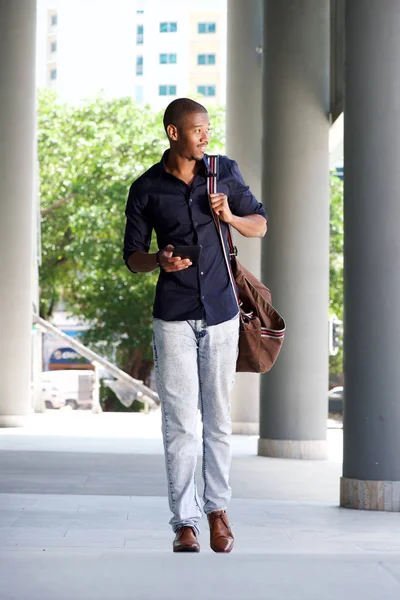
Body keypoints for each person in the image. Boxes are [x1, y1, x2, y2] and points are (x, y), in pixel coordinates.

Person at [123, 98, 267, 553]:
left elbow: (259, 225)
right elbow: (132, 257)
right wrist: (159, 260)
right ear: (173, 133)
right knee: (181, 424)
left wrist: (229, 217)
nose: (205, 135)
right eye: (197, 129)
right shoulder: (146, 188)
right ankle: (185, 523)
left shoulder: (224, 171)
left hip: (222, 311)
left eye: (207, 128)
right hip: (173, 316)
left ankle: (218, 512)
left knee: (218, 420)